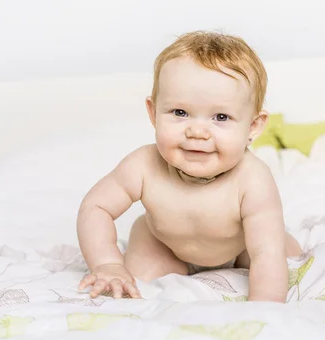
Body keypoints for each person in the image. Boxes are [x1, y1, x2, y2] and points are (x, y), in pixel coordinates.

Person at [76, 30, 302, 303]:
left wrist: (266, 310)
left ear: (252, 126)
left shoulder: (252, 179)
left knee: (279, 256)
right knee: (136, 287)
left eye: (221, 117)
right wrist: (107, 263)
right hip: (164, 245)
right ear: (153, 113)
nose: (197, 131)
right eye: (180, 113)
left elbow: (266, 253)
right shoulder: (143, 165)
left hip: (238, 247)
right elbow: (96, 207)